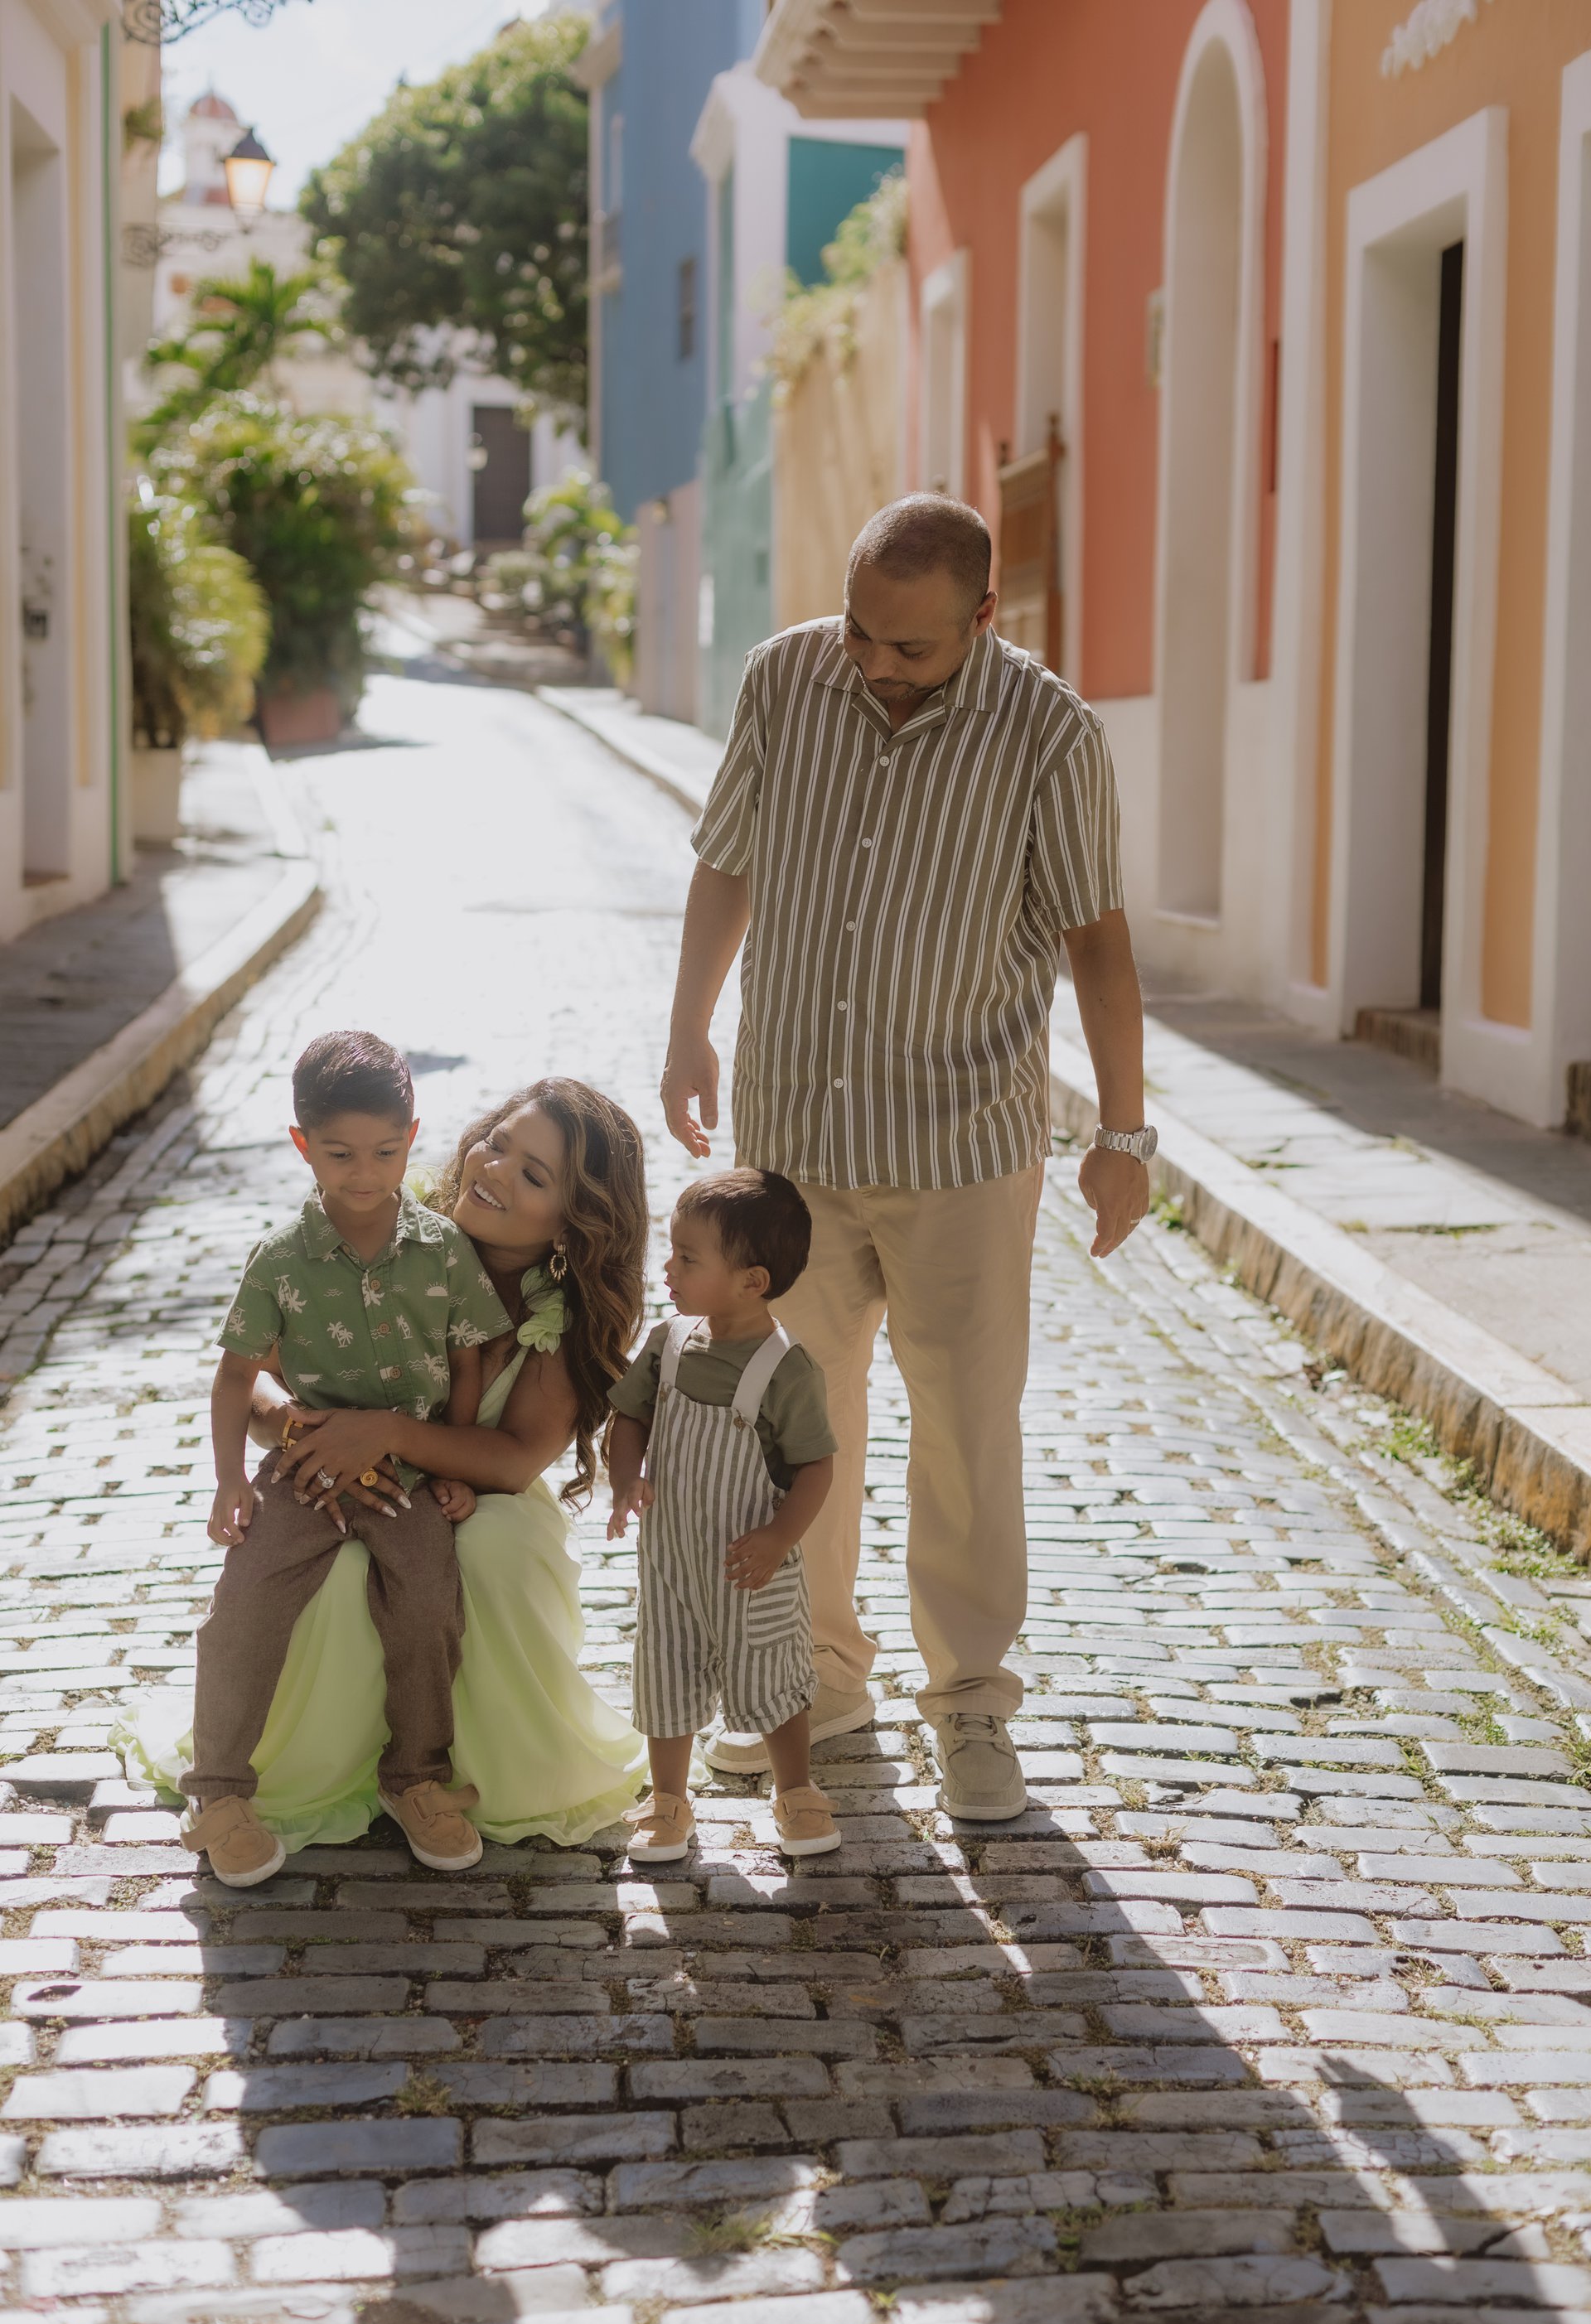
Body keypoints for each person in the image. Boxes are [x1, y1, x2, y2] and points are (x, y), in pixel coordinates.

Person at [660, 492, 1153, 1824]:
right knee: (794, 1421)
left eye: (911, 648)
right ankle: (815, 1682)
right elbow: (727, 864)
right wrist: (689, 1030)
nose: (874, 663)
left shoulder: (1049, 733)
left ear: (984, 617)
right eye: (860, 632)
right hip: (795, 1139)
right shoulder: (785, 680)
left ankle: (972, 1702)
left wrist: (1122, 1132)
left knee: (967, 1431)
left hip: (963, 1143)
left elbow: (1096, 938)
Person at [116, 1077, 650, 1859]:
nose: (495, 1170)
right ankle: (244, 1779)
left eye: (534, 1175)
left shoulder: (559, 1318)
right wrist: (308, 1433)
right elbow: (255, 1378)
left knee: (481, 1553)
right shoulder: (376, 1225)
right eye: (497, 1143)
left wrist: (388, 1434)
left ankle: (429, 1772)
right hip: (334, 1465)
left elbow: (512, 1459)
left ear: (575, 1222)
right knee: (308, 1570)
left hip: (474, 1490)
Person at [181, 1031, 512, 1889]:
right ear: (303, 1145)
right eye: (339, 1154)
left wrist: (454, 1466)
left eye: (386, 1152)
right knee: (242, 1604)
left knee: (429, 1604)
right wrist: (229, 1481)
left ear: (412, 1139)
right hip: (307, 1469)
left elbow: (470, 1357)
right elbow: (235, 1375)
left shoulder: (444, 1250)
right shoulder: (280, 1261)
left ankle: (416, 1778)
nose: (365, 1173)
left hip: (406, 1476)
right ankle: (218, 1793)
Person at [607, 1168, 839, 1863]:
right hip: (673, 1563)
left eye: (687, 1258)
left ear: (752, 1281)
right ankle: (668, 1799)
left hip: (750, 1568)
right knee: (664, 1671)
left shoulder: (787, 1370)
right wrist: (625, 1480)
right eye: (671, 1252)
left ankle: (796, 1791)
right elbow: (629, 1416)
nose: (668, 1269)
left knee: (774, 1675)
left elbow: (817, 1468)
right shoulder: (670, 1343)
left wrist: (778, 1537)